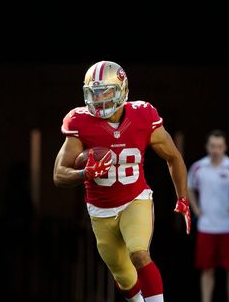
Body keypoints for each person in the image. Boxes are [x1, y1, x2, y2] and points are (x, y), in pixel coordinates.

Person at [53, 61, 190, 302]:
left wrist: (182, 197)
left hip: (134, 199)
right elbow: (58, 174)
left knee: (139, 253)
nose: (98, 99)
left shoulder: (143, 115)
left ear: (122, 90)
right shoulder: (79, 122)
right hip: (100, 209)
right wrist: (85, 173)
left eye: (105, 92)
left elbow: (173, 156)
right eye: (93, 93)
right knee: (124, 276)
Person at [188, 130, 229, 302]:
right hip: (206, 226)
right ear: (207, 147)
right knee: (206, 269)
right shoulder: (198, 167)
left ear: (225, 147)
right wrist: (195, 208)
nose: (216, 150)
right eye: (212, 146)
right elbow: (189, 186)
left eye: (219, 146)